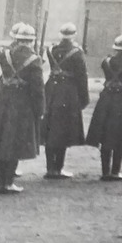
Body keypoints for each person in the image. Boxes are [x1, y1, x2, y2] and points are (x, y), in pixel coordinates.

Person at [0, 23, 45, 194]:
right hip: (21, 104)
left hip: (2, 100)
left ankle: (1, 176)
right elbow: (37, 89)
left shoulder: (4, 53)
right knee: (15, 143)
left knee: (2, 140)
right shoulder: (34, 59)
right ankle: (7, 183)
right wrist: (39, 110)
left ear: (16, 39)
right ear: (31, 41)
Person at [85, 34, 122, 181]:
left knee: (105, 137)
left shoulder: (106, 62)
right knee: (121, 138)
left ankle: (105, 172)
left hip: (106, 101)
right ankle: (115, 171)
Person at [42, 22, 90, 179]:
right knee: (62, 131)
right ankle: (58, 168)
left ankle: (50, 168)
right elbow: (82, 77)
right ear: (74, 35)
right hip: (68, 93)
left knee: (50, 130)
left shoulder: (51, 50)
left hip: (51, 91)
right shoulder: (77, 52)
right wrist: (84, 99)